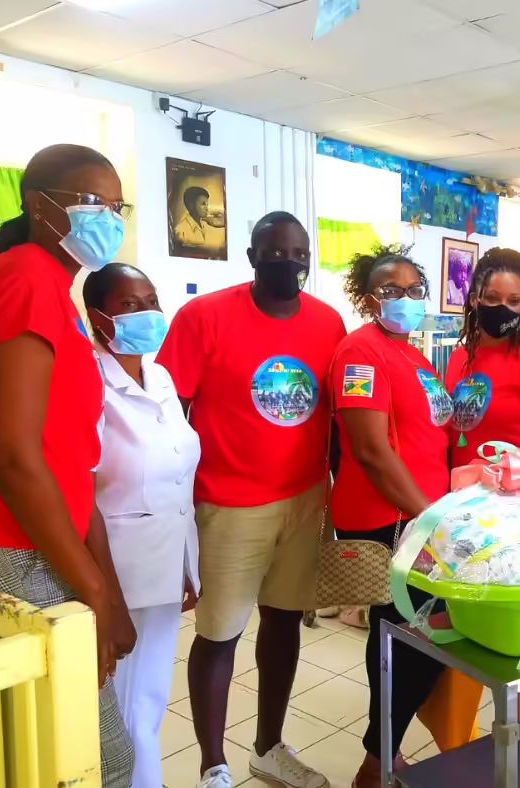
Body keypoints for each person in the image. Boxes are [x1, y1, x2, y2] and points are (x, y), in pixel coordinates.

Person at [0, 144, 134, 787]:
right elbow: (12, 456)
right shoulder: (26, 276)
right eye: (90, 202)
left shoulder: (53, 286)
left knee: (44, 750)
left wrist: (99, 573)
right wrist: (96, 591)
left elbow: (66, 454)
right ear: (37, 205)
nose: (106, 218)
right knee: (85, 757)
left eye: (115, 206)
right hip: (14, 545)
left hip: (41, 537)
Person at [157, 211, 346, 788]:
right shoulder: (203, 317)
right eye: (274, 252)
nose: (287, 261)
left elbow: (337, 415)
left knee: (284, 623)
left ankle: (268, 747)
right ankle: (213, 765)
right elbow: (169, 410)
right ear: (251, 256)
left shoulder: (328, 322)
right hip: (229, 504)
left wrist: (338, 496)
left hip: (305, 497)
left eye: (297, 252)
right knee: (219, 634)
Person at [330, 245, 453, 788]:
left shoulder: (415, 355)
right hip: (392, 522)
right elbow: (370, 450)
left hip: (424, 515)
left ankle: (384, 753)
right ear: (366, 297)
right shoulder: (360, 354)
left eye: (414, 290)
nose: (405, 299)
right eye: (390, 290)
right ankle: (377, 762)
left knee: (406, 638)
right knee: (413, 638)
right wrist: (430, 518)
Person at [84, 263, 201, 788]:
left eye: (152, 299)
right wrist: (104, 595)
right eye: (131, 304)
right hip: (117, 569)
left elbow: (177, 475)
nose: (148, 312)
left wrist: (186, 566)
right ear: (98, 317)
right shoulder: (88, 380)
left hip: (164, 564)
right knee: (126, 709)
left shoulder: (159, 376)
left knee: (148, 701)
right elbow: (80, 484)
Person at [445, 247, 520, 719]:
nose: (503, 308)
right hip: (463, 507)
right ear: (472, 297)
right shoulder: (459, 359)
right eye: (492, 296)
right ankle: (471, 732)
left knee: (517, 634)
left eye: (514, 300)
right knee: (473, 626)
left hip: (514, 515)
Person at [174, 186, 224, 250]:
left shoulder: (204, 224)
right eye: (203, 204)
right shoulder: (180, 231)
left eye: (207, 204)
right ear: (191, 205)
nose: (207, 208)